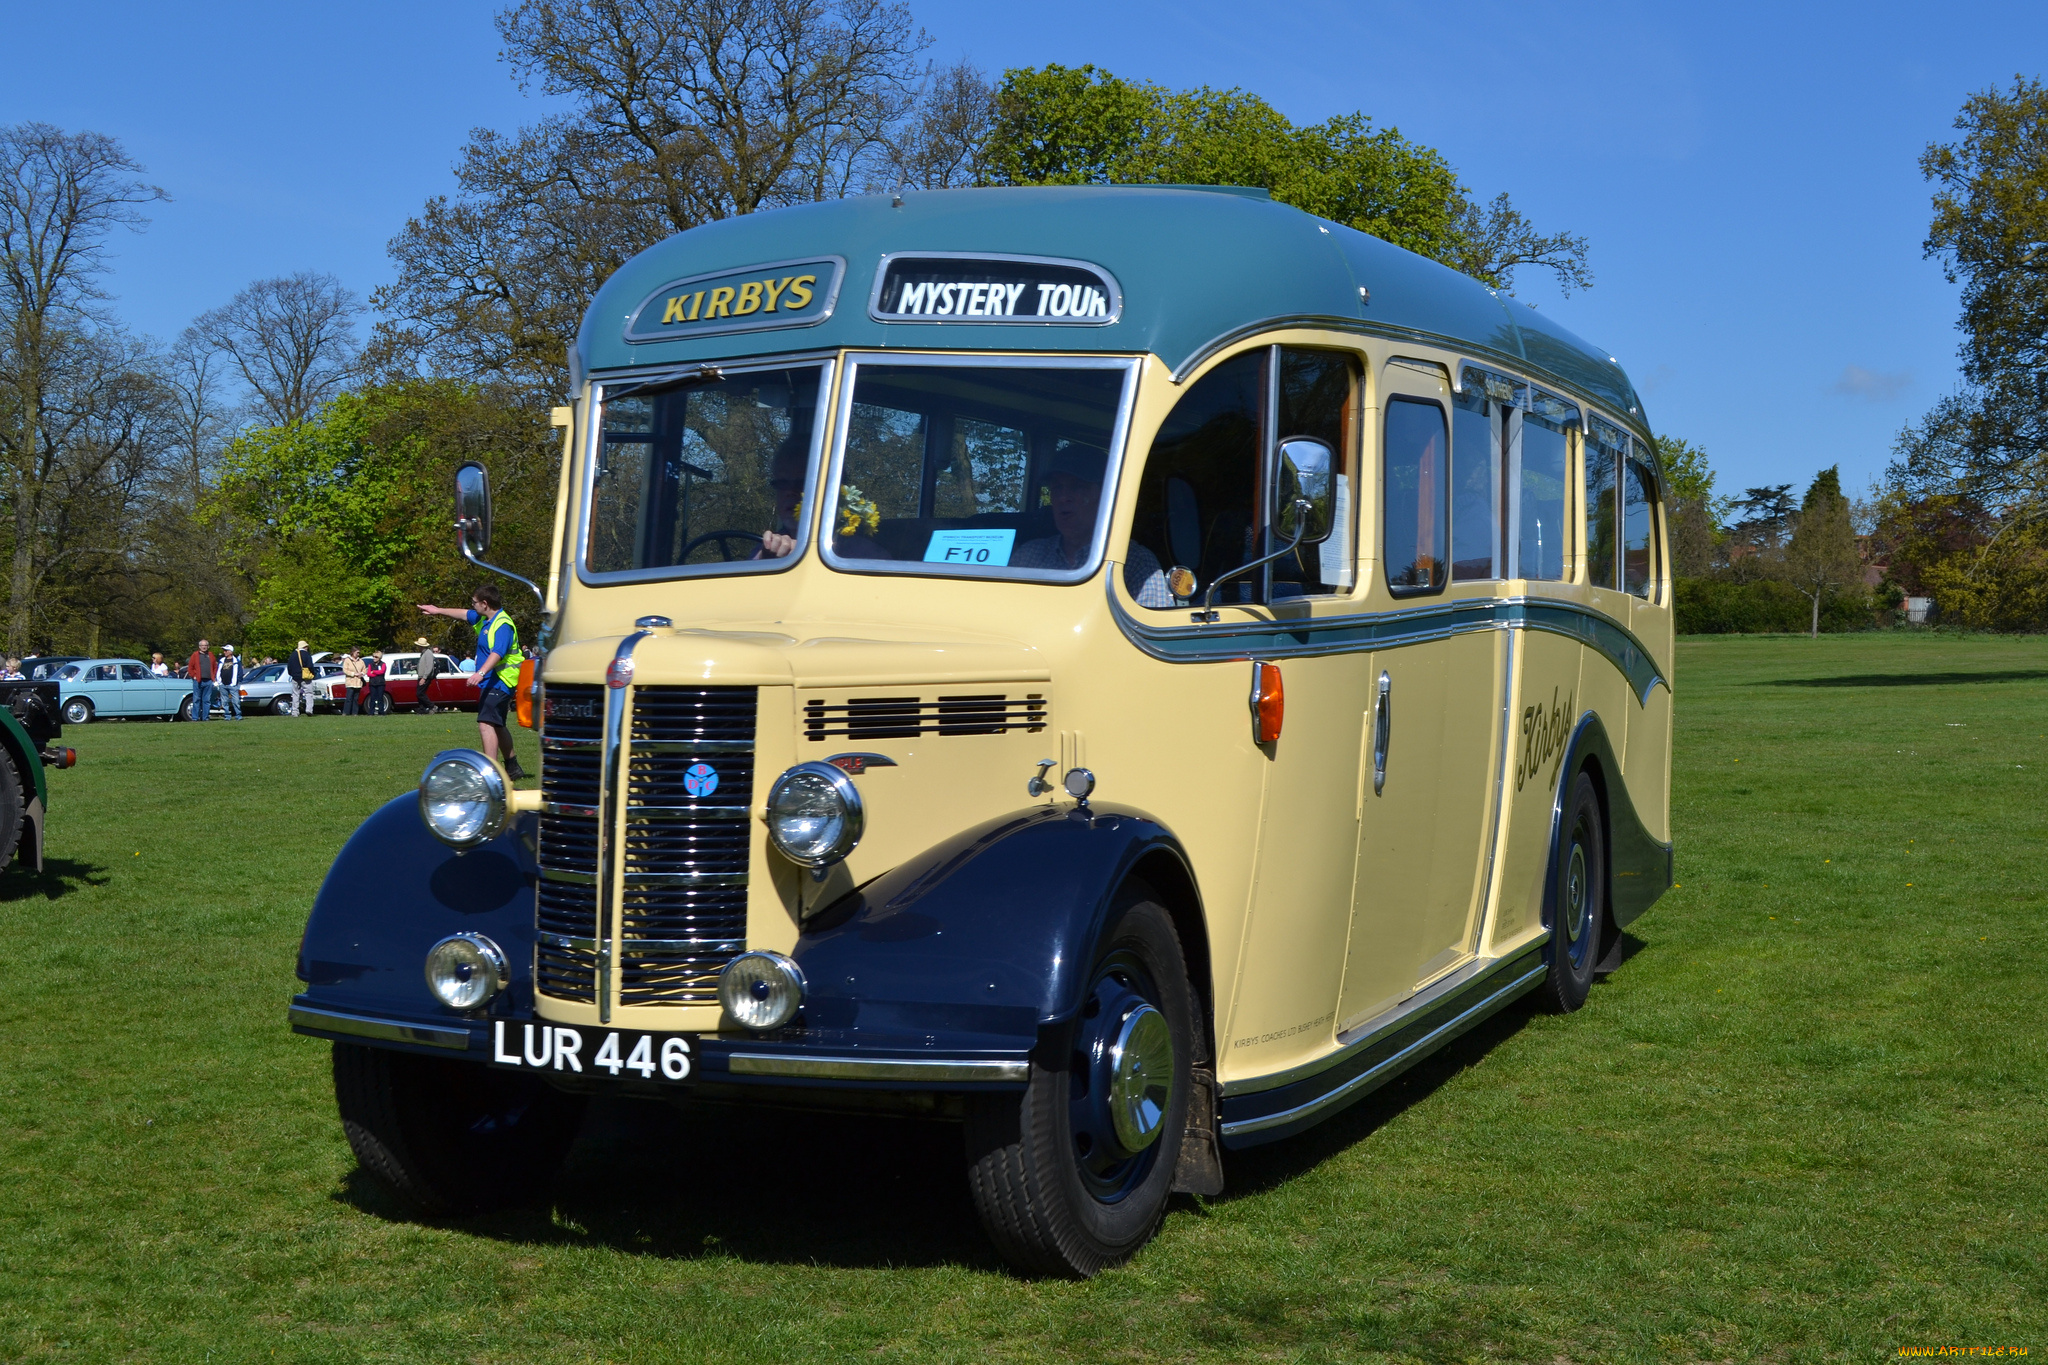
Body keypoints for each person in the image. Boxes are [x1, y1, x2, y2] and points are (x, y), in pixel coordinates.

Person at [1010, 445, 1173, 606]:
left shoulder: (1134, 562)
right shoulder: (1028, 556)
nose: (1063, 497)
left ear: (1105, 495)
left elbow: (1145, 629)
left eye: (1077, 486)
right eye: (1057, 487)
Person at [417, 584, 528, 780]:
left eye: (475, 602)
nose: (472, 606)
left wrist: (481, 673)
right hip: (494, 680)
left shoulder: (502, 624)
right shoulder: (486, 619)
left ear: (485, 604)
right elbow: (464, 614)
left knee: (485, 723)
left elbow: (498, 653)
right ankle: (513, 768)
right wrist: (438, 611)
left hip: (501, 680)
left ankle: (490, 773)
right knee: (498, 724)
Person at [187, 639, 216, 721]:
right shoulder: (195, 655)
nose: (204, 647)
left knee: (206, 700)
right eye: (202, 645)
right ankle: (195, 718)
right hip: (198, 681)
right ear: (199, 647)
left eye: (205, 645)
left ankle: (205, 717)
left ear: (208, 646)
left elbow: (215, 667)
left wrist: (213, 676)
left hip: (208, 681)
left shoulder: (211, 655)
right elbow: (190, 668)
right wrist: (194, 676)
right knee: (196, 700)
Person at [288, 640, 319, 718]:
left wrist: (292, 674)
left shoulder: (293, 655)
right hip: (305, 677)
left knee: (295, 694)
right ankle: (309, 709)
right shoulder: (306, 654)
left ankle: (295, 711)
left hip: (295, 677)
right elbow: (310, 666)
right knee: (309, 693)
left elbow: (289, 667)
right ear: (304, 647)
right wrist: (313, 674)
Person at [413, 636, 441, 714]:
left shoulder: (428, 653)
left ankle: (432, 706)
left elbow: (429, 666)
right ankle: (422, 709)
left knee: (419, 693)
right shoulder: (423, 653)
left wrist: (424, 677)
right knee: (420, 693)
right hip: (422, 676)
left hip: (425, 677)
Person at [217, 645, 244, 720]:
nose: (224, 652)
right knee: (224, 701)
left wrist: (237, 681)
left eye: (226, 650)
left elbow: (240, 673)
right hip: (223, 684)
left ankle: (238, 715)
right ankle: (227, 716)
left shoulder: (236, 661)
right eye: (224, 650)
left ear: (230, 651)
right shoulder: (222, 660)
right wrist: (219, 681)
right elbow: (218, 671)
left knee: (236, 701)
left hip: (233, 685)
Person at [341, 647, 366, 716]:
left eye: (359, 653)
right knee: (349, 698)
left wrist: (362, 674)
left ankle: (355, 713)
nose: (358, 654)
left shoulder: (361, 661)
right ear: (353, 652)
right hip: (350, 682)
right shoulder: (347, 660)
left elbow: (364, 670)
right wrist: (354, 674)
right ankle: (346, 712)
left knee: (356, 699)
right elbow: (345, 670)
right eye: (357, 652)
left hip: (358, 683)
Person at [365, 649, 388, 716]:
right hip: (372, 683)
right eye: (373, 657)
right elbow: (369, 674)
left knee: (380, 698)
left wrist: (374, 672)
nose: (374, 658)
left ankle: (381, 712)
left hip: (380, 683)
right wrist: (375, 673)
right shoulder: (370, 665)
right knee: (372, 698)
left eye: (376, 657)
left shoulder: (383, 664)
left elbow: (382, 671)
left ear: (379, 658)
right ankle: (371, 712)